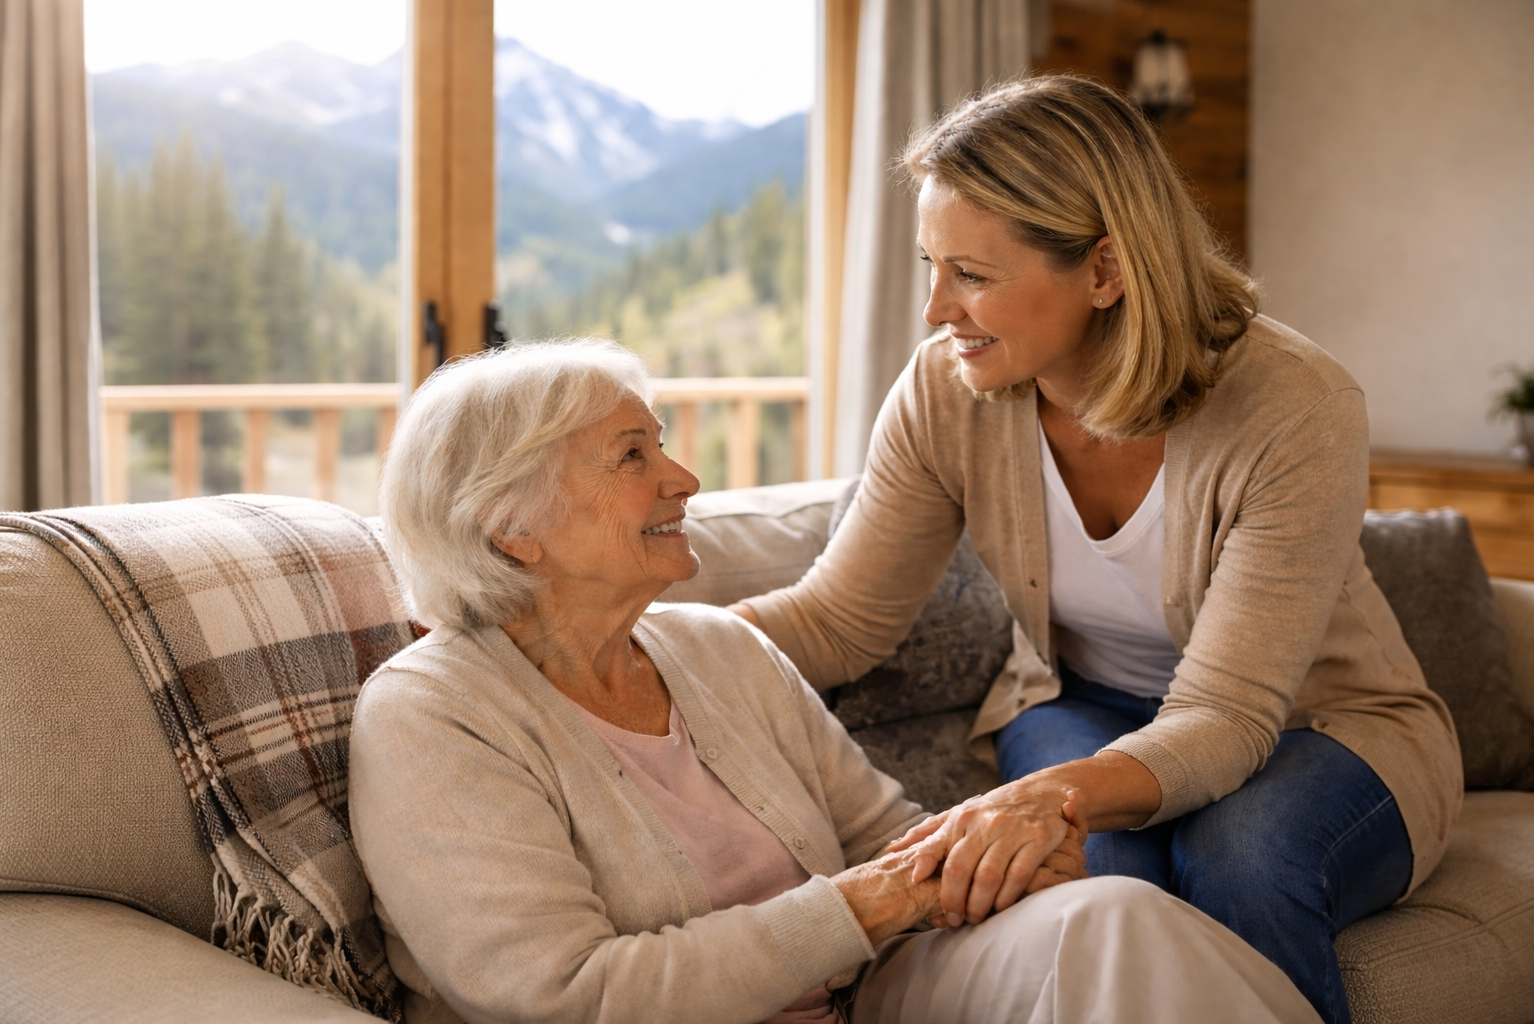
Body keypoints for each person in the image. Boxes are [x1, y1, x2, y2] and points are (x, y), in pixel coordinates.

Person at [730, 75, 1462, 1024]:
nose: (934, 311)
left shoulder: (1296, 408)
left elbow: (1228, 717)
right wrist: (654, 646)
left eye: (973, 275)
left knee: (1241, 861)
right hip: (1084, 708)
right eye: (930, 265)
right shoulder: (947, 390)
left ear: (1107, 271)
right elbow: (841, 620)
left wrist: (1048, 796)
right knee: (1088, 876)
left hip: (1318, 727)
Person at [348, 339, 1321, 1024]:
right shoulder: (432, 715)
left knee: (1109, 919)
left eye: (663, 443)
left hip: (865, 996)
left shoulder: (714, 647)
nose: (684, 477)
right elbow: (565, 994)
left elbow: (888, 840)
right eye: (633, 455)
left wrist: (992, 868)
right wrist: (872, 904)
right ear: (511, 527)